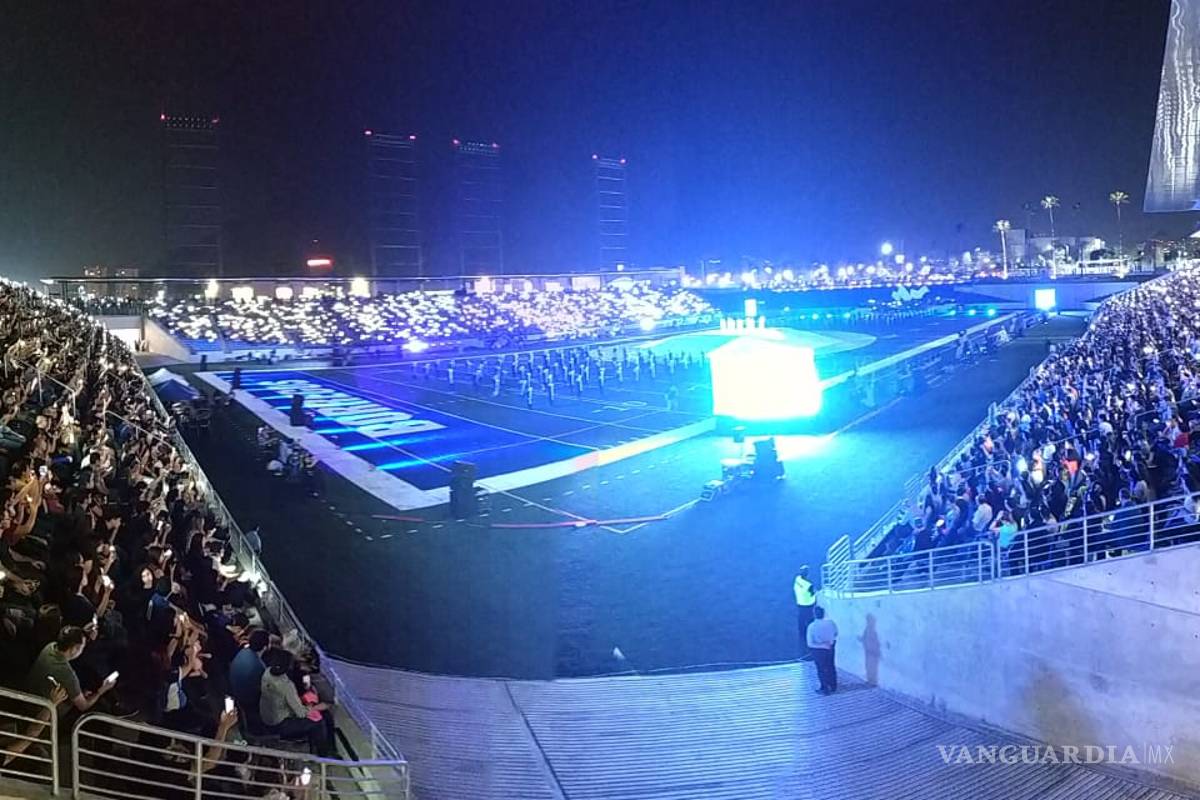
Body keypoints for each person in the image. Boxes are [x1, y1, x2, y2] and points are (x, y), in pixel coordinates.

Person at [25, 626, 117, 713]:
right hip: (40, 709)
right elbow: (83, 706)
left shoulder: (51, 647)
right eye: (82, 647)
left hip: (30, 695)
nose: (83, 650)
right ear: (74, 649)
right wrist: (101, 691)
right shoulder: (67, 674)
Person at [259, 647, 331, 755]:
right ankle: (323, 755)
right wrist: (316, 707)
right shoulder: (287, 686)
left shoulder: (267, 672)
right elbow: (301, 714)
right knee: (318, 723)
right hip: (279, 724)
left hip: (266, 715)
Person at [229, 628, 270, 713]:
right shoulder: (259, 666)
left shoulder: (243, 651)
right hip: (245, 698)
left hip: (232, 688)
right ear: (265, 647)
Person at [806, 606, 838, 695]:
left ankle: (825, 688)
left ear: (814, 615)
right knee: (831, 666)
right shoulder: (831, 623)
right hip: (830, 648)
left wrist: (822, 644)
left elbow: (810, 643)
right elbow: (836, 633)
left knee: (821, 669)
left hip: (818, 651)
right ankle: (833, 686)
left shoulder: (812, 626)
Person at [793, 566, 817, 660]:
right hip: (807, 604)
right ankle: (810, 634)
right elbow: (812, 593)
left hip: (799, 602)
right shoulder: (808, 585)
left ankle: (802, 632)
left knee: (801, 619)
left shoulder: (797, 579)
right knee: (810, 619)